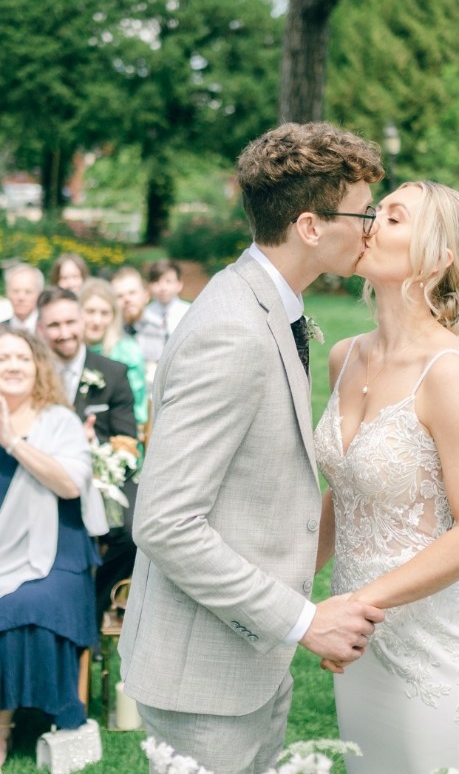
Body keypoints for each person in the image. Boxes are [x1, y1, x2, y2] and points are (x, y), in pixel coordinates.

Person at [119, 122, 386, 774]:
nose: (373, 228)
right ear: (311, 225)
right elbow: (163, 520)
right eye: (364, 212)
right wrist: (301, 620)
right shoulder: (233, 330)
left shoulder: (265, 302)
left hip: (245, 663)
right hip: (203, 679)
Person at [314, 182, 459, 774]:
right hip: (360, 644)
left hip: (435, 649)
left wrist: (358, 604)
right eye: (376, 210)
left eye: (393, 217)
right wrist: (279, 592)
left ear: (438, 258)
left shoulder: (450, 375)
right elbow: (345, 496)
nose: (370, 222)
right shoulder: (345, 356)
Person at [0, 329, 107, 765]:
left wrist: (12, 442)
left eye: (21, 357)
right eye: (2, 357)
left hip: (58, 554)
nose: (11, 365)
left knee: (21, 606)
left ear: (37, 366)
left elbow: (69, 485)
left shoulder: (58, 421)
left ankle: (3, 728)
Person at [36, 287, 138, 625]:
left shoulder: (112, 372)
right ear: (40, 328)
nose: (64, 333)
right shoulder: (31, 372)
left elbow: (127, 438)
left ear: (82, 320)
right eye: (54, 326)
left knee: (132, 529)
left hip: (103, 472)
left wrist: (95, 449)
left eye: (70, 322)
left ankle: (90, 612)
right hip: (45, 470)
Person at [79, 278, 148, 429]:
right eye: (90, 312)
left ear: (114, 316)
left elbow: (138, 409)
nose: (97, 321)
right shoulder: (70, 351)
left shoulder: (128, 351)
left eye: (104, 313)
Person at [111, 266, 166, 389]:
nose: (127, 299)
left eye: (132, 293)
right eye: (119, 296)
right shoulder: (111, 333)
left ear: (146, 295)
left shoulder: (160, 330)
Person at [141, 259, 191, 346]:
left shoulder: (189, 312)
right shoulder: (145, 314)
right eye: (156, 282)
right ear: (149, 285)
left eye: (168, 281)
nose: (163, 288)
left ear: (179, 284)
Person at [5, 264, 44, 334]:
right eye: (15, 291)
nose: (21, 297)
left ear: (39, 294)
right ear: (7, 293)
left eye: (28, 292)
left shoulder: (47, 330)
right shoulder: (1, 331)